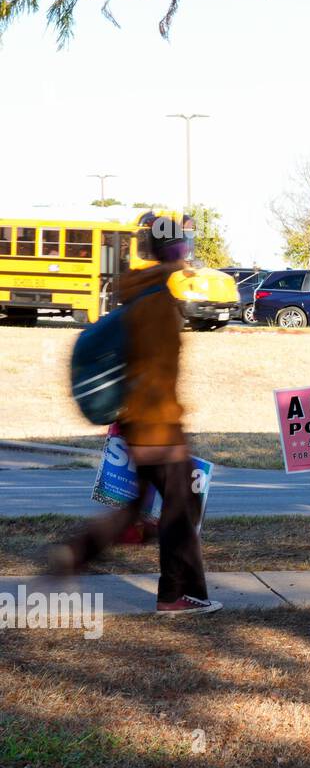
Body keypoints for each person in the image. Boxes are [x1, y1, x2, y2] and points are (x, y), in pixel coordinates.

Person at [48, 214, 221, 615]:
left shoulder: (138, 295)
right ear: (175, 251)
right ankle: (177, 595)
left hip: (137, 421)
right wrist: (165, 433)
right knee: (180, 511)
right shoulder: (158, 304)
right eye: (183, 247)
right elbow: (156, 375)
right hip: (155, 426)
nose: (185, 255)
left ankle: (76, 552)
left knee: (138, 508)